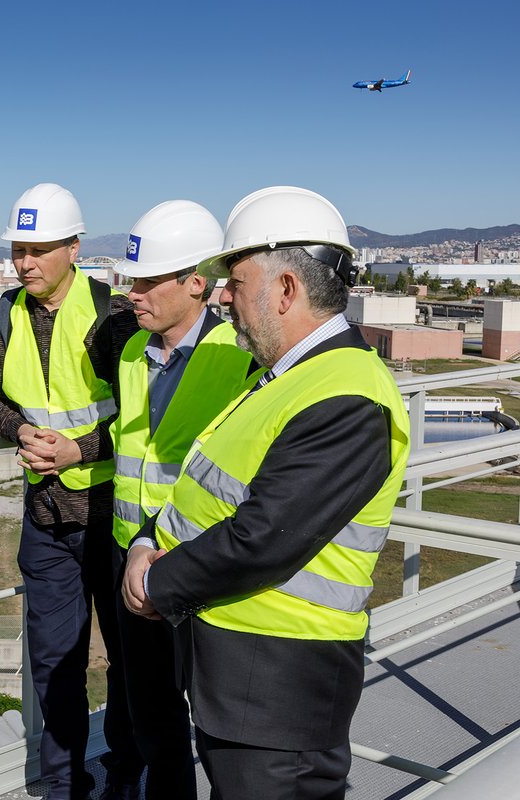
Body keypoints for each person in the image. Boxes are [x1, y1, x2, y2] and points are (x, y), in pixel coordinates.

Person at [123, 187, 411, 800]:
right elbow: (203, 490)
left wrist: (153, 582)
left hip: (282, 690)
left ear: (285, 290)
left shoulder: (349, 396)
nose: (223, 296)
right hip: (243, 679)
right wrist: (148, 537)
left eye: (235, 280)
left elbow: (264, 538)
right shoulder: (284, 375)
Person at [0, 183, 141, 800]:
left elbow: (138, 415)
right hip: (45, 519)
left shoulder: (112, 315)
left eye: (39, 249)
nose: (25, 262)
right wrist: (19, 430)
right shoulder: (5, 313)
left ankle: (127, 776)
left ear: (74, 248)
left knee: (128, 663)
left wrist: (79, 449)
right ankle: (62, 784)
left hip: (108, 517)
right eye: (19, 249)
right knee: (54, 665)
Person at [110, 200, 256, 799]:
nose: (132, 293)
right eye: (131, 280)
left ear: (197, 284)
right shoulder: (128, 353)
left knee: (220, 726)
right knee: (153, 718)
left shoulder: (239, 358)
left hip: (200, 572)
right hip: (135, 565)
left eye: (148, 281)